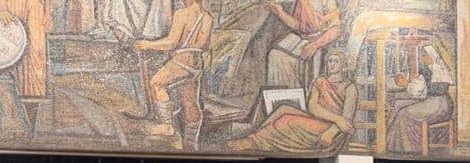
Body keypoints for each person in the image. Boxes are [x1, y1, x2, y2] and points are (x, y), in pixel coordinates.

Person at [230, 50, 356, 154]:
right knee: (283, 108)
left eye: (336, 61)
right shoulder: (320, 81)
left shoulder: (350, 87)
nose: (332, 64)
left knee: (287, 120)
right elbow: (312, 107)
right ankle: (255, 136)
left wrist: (331, 131)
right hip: (320, 119)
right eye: (330, 61)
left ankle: (256, 142)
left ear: (343, 66)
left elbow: (346, 121)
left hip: (332, 128)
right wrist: (338, 119)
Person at [133, 0, 213, 151]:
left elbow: (171, 42)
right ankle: (191, 145)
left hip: (181, 62)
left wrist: (148, 44)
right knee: (190, 102)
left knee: (156, 83)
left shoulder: (182, 13)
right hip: (196, 65)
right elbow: (205, 46)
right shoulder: (207, 17)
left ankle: (167, 126)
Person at [386, 45, 454, 155]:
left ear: (432, 55)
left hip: (439, 105)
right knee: (398, 104)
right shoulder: (430, 69)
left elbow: (439, 90)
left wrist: (409, 85)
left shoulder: (438, 69)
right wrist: (409, 84)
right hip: (434, 102)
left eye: (424, 55)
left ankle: (408, 147)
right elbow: (421, 88)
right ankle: (390, 142)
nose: (422, 58)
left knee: (403, 113)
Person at [264, 0, 341, 88]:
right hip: (303, 39)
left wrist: (315, 45)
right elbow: (299, 26)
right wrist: (280, 12)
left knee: (287, 59)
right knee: (275, 54)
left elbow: (336, 29)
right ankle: (282, 94)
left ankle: (298, 93)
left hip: (320, 42)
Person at [0, 0, 52, 97]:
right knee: (14, 46)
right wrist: (2, 7)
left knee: (37, 51)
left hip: (36, 6)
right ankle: (15, 96)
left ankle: (36, 95)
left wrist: (47, 11)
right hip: (12, 5)